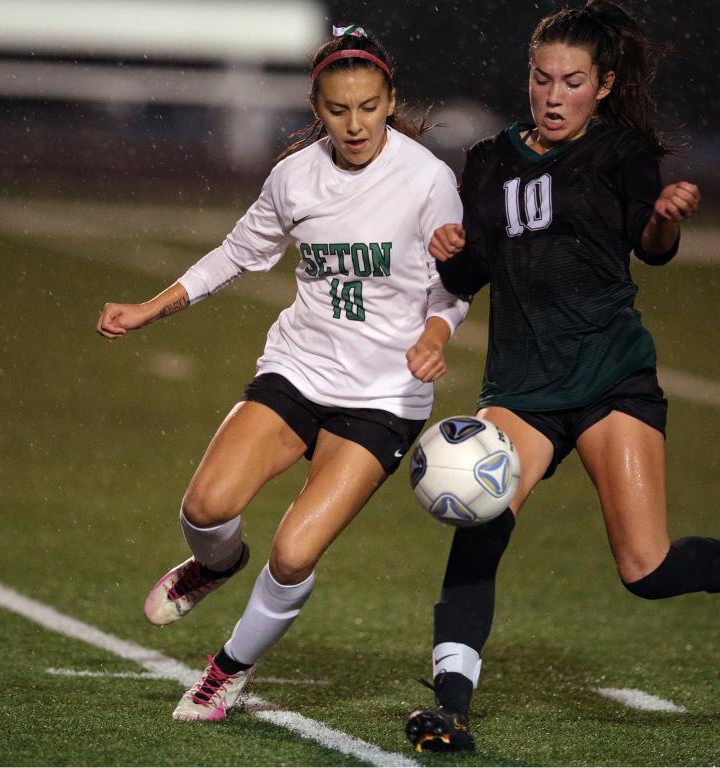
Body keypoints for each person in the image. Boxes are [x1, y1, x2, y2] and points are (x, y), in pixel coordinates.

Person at [404, 1, 720, 753]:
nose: (552, 95)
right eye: (541, 79)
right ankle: (451, 709)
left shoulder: (622, 153)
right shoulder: (491, 161)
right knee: (479, 526)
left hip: (609, 380)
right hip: (523, 390)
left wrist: (666, 217)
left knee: (646, 569)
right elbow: (472, 272)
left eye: (571, 82)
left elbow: (651, 247)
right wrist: (449, 246)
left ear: (602, 86)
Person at [96, 25, 468, 721]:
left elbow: (454, 285)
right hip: (297, 370)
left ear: (391, 101)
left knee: (295, 553)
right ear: (315, 107)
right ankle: (216, 565)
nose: (354, 124)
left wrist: (436, 334)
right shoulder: (296, 175)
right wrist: (152, 307)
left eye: (368, 106)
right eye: (337, 109)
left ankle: (227, 671)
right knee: (205, 510)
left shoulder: (428, 179)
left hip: (384, 396)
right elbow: (234, 255)